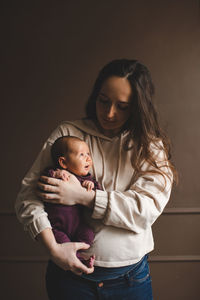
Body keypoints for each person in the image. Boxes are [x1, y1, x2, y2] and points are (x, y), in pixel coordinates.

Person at [15, 59, 177, 300]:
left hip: (130, 281)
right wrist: (54, 249)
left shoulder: (150, 147)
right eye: (104, 101)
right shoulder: (68, 134)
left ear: (137, 107)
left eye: (122, 106)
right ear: (95, 97)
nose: (109, 113)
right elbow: (28, 198)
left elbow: (144, 211)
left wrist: (84, 196)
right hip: (70, 280)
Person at [43, 136, 102, 268]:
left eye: (88, 154)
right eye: (82, 155)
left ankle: (81, 258)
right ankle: (79, 260)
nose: (88, 158)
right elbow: (45, 180)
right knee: (64, 245)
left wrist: (90, 185)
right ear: (63, 162)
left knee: (88, 235)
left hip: (78, 225)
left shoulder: (85, 178)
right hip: (56, 227)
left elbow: (99, 194)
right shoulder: (55, 172)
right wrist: (57, 174)